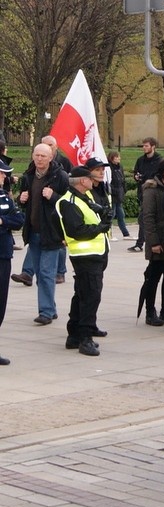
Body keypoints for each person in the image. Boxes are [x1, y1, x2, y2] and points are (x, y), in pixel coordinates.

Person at [55, 166, 112, 357]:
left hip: (94, 254)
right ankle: (85, 338)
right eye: (89, 178)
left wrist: (103, 214)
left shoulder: (83, 198)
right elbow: (75, 230)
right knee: (90, 296)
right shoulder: (69, 201)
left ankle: (74, 334)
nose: (92, 180)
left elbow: (93, 216)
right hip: (85, 256)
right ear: (82, 181)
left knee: (82, 294)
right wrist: (101, 228)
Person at [15, 143, 69, 324]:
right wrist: (21, 199)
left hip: (51, 233)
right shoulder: (29, 176)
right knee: (39, 274)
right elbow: (25, 202)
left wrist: (53, 196)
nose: (39, 159)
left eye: (43, 156)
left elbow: (68, 205)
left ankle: (45, 312)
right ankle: (50, 308)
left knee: (46, 273)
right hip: (34, 232)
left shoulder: (59, 176)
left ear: (51, 157)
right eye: (36, 155)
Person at [141, 158, 164, 326]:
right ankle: (150, 311)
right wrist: (153, 242)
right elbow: (147, 218)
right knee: (153, 277)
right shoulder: (152, 189)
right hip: (158, 241)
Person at [0, 159, 23, 365]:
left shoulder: (4, 196)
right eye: (0, 173)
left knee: (1, 304)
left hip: (4, 254)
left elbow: (18, 220)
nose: (3, 177)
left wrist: (2, 221)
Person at [130, 137, 163, 253]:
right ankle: (143, 242)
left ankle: (142, 243)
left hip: (154, 193)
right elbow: (136, 172)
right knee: (145, 218)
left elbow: (160, 176)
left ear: (153, 146)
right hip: (142, 192)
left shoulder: (159, 160)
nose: (144, 148)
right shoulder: (140, 160)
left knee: (144, 218)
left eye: (147, 146)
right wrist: (137, 177)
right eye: (143, 146)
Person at [107, 151, 131, 241]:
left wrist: (124, 190)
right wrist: (113, 190)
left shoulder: (120, 167)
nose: (118, 158)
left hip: (119, 194)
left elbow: (123, 179)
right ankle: (108, 233)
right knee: (112, 214)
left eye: (119, 157)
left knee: (121, 215)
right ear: (112, 158)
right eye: (116, 157)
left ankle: (126, 234)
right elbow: (109, 181)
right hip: (113, 195)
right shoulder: (109, 168)